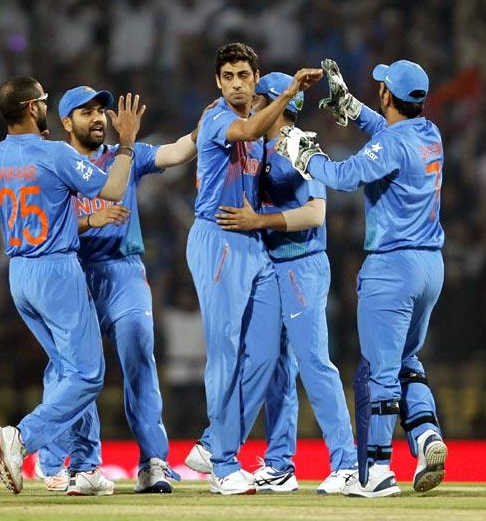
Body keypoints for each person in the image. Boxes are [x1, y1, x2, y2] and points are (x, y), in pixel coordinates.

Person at [278, 58, 448, 498]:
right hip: (431, 265)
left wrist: (305, 154)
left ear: (388, 95)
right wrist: (348, 106)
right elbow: (387, 133)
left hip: (392, 269)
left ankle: (376, 472)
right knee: (409, 361)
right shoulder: (430, 134)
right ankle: (427, 435)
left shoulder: (392, 145)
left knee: (380, 373)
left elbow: (344, 175)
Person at [34, 85, 204, 494]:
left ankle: (153, 462)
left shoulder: (124, 155)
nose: (97, 118)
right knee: (74, 369)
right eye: (85, 111)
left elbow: (177, 151)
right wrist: (91, 222)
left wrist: (205, 128)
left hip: (123, 272)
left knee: (138, 350)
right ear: (66, 123)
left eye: (100, 110)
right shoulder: (54, 163)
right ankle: (72, 463)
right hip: (72, 272)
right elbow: (40, 229)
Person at [0, 76, 143, 497]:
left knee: (70, 372)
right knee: (89, 374)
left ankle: (85, 467)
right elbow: (111, 188)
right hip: (57, 269)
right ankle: (23, 438)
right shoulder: (54, 152)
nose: (46, 107)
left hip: (19, 273)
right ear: (32, 108)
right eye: (44, 101)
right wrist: (126, 144)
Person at [183, 42, 322, 495]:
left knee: (266, 351)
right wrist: (285, 97)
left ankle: (216, 445)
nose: (237, 84)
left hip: (253, 242)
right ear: (218, 83)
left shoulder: (262, 119)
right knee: (224, 353)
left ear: (254, 77)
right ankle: (224, 463)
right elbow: (250, 129)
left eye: (244, 75)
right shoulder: (221, 118)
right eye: (229, 76)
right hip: (218, 238)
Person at [210, 72, 358, 494]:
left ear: (276, 102)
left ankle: (346, 463)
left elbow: (315, 213)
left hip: (302, 264)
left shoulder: (297, 142)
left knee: (313, 361)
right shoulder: (262, 145)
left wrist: (259, 221)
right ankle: (279, 463)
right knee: (276, 366)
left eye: (257, 96)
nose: (252, 103)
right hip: (274, 264)